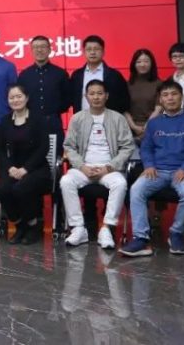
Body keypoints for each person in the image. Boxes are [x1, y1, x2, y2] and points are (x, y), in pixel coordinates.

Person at [120, 80, 184, 257]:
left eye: (174, 94)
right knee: (136, 190)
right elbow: (146, 148)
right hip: (157, 171)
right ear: (160, 100)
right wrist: (149, 165)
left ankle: (176, 232)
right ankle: (141, 238)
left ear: (181, 97)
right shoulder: (154, 123)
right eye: (165, 95)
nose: (170, 98)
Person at [60, 80, 135, 249]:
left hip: (109, 168)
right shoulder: (77, 118)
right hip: (84, 168)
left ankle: (107, 228)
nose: (96, 97)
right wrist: (82, 167)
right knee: (66, 181)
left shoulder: (117, 118)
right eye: (92, 93)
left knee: (120, 183)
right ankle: (78, 228)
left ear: (106, 96)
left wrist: (109, 167)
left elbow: (127, 147)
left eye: (100, 93)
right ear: (86, 96)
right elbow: (69, 147)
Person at [0, 84, 52, 245]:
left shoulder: (38, 119)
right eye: (12, 97)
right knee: (2, 189)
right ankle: (20, 225)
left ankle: (33, 226)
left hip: (37, 168)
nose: (15, 100)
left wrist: (26, 169)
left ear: (26, 98)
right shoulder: (5, 121)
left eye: (19, 96)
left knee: (21, 188)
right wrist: (10, 168)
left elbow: (44, 148)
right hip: (14, 168)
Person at [17, 35, 71, 148]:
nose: (39, 50)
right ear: (31, 51)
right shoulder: (24, 75)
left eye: (43, 47)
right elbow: (20, 99)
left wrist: (53, 111)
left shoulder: (60, 74)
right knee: (31, 154)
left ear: (50, 50)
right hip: (30, 123)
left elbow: (67, 99)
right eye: (36, 47)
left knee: (55, 154)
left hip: (53, 122)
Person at [69, 35, 129, 114]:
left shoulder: (114, 75)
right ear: (84, 52)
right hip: (82, 119)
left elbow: (124, 100)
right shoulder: (77, 75)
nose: (92, 52)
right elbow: (71, 99)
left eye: (96, 49)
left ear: (103, 52)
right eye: (89, 49)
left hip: (108, 119)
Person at [125, 49, 162, 143]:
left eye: (146, 61)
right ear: (134, 64)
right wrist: (134, 127)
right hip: (130, 129)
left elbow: (158, 108)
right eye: (139, 62)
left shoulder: (159, 84)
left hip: (154, 128)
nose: (142, 64)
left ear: (151, 64)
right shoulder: (127, 84)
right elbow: (124, 109)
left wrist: (147, 127)